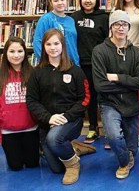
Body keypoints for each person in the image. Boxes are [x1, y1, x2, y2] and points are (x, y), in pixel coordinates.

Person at [26, 29, 94, 185]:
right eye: (48, 44)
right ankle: (73, 149)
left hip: (70, 120)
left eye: (56, 43)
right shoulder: (37, 73)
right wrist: (48, 118)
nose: (53, 47)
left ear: (63, 45)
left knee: (54, 139)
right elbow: (31, 100)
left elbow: (85, 99)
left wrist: (66, 117)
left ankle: (73, 164)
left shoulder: (75, 71)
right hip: (47, 122)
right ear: (43, 47)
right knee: (56, 168)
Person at [92, 10, 139, 179]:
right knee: (114, 137)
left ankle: (128, 156)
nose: (121, 28)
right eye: (117, 24)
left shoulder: (137, 53)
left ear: (129, 27)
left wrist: (117, 78)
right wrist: (129, 84)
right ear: (111, 27)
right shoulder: (99, 51)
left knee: (133, 150)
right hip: (109, 103)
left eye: (124, 24)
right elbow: (100, 85)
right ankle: (123, 163)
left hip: (131, 105)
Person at [71, 0, 109, 144]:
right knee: (89, 97)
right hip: (80, 65)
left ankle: (108, 130)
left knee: (104, 96)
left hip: (99, 64)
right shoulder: (73, 17)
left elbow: (108, 40)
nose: (88, 0)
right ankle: (93, 128)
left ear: (97, 0)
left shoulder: (103, 18)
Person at [114, 0, 139, 147]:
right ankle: (121, 131)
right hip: (119, 56)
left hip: (138, 56)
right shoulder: (116, 11)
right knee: (121, 94)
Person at [0, 37, 39, 171]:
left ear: (25, 53)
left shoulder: (33, 73)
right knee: (15, 166)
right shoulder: (1, 75)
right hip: (8, 131)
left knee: (32, 164)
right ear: (5, 53)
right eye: (12, 51)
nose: (16, 55)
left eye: (20, 51)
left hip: (31, 129)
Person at [33, 0, 79, 66]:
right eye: (56, 0)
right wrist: (47, 63)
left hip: (72, 62)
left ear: (67, 1)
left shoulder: (71, 20)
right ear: (51, 3)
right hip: (54, 64)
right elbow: (37, 43)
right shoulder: (46, 19)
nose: (60, 3)